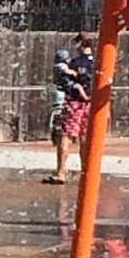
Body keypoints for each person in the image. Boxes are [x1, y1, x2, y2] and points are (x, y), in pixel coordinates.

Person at [45, 39, 91, 184]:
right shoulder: (98, 62)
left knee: (66, 136)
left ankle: (61, 172)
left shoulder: (73, 63)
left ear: (80, 45)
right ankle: (87, 173)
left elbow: (63, 81)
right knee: (85, 137)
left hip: (74, 103)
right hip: (91, 104)